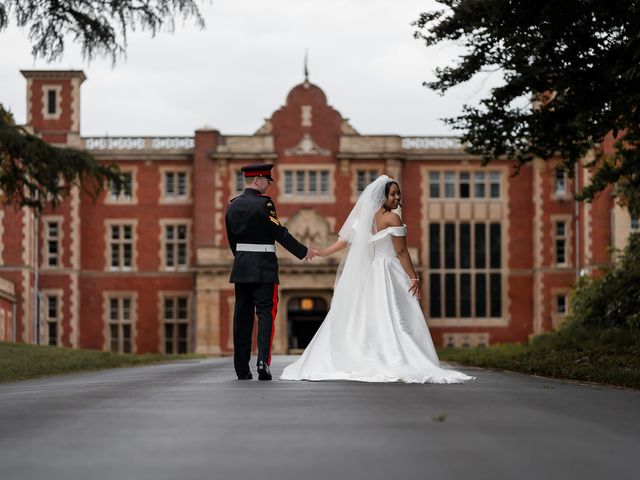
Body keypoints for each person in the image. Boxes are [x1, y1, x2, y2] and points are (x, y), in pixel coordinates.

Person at [281, 175, 475, 383]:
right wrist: (413, 277)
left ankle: (368, 355)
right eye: (392, 194)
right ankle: (395, 356)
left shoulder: (366, 217)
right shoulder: (392, 218)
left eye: (398, 193)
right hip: (389, 269)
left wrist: (323, 252)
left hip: (371, 272)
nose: (397, 197)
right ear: (381, 197)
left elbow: (345, 240)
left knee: (367, 315)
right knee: (396, 314)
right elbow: (401, 252)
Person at [225, 163, 317, 381]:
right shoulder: (264, 204)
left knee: (242, 318)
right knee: (266, 314)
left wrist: (241, 258)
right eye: (267, 181)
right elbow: (278, 232)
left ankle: (241, 369)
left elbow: (232, 239)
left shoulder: (233, 206)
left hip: (242, 267)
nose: (268, 185)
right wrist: (304, 251)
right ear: (257, 180)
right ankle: (262, 363)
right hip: (264, 267)